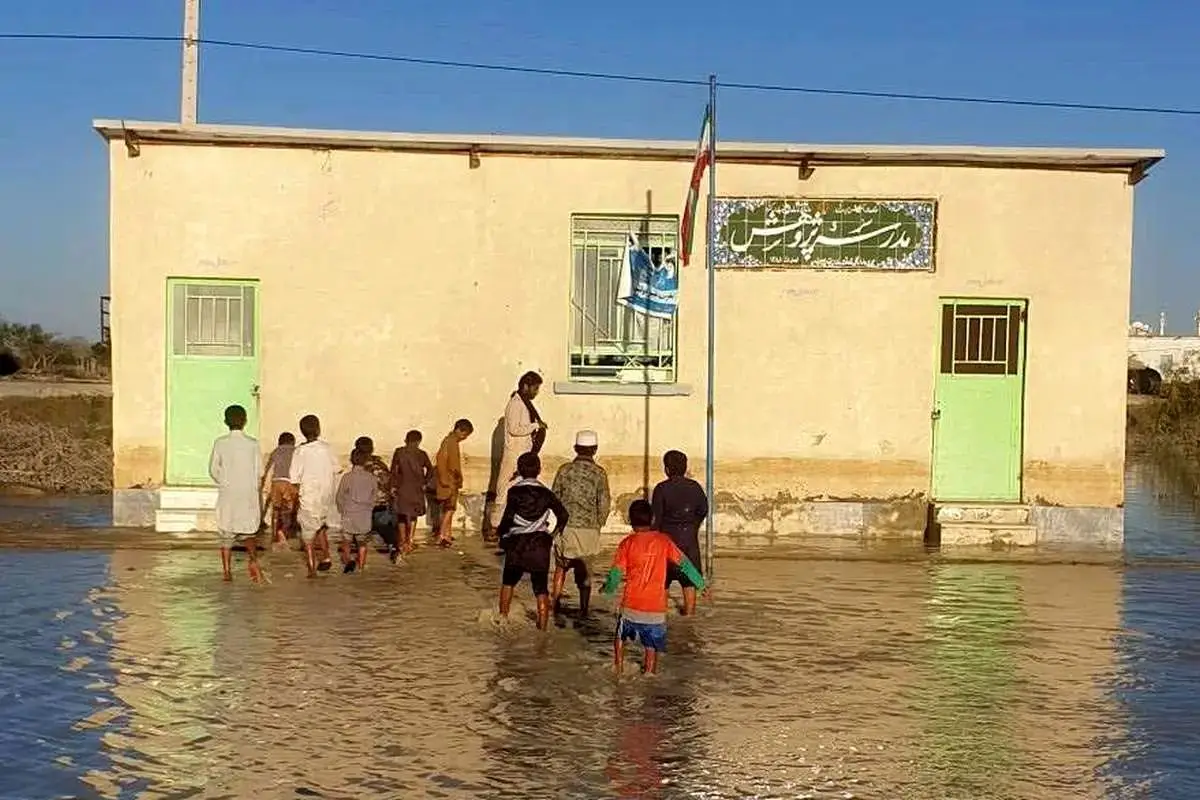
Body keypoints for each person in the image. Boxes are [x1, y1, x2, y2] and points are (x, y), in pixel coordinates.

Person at [603, 499, 706, 675]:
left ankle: (618, 668)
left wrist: (607, 589)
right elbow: (684, 564)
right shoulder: (663, 541)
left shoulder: (627, 543)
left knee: (620, 637)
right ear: (652, 520)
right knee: (651, 646)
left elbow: (616, 573)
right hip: (655, 609)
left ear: (630, 521)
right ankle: (649, 673)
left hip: (631, 606)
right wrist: (701, 584)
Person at [496, 452, 568, 631]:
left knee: (508, 582)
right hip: (540, 545)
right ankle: (542, 630)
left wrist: (501, 535)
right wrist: (551, 534)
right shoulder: (546, 494)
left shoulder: (514, 492)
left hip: (517, 544)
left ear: (519, 470)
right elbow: (563, 515)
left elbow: (508, 518)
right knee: (540, 588)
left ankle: (502, 620)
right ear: (539, 470)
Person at [550, 430, 611, 618]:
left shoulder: (564, 469)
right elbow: (604, 503)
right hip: (589, 530)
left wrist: (559, 522)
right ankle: (584, 610)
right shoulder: (600, 473)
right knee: (585, 572)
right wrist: (598, 525)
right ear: (595, 450)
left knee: (561, 568)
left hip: (566, 528)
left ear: (575, 448)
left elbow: (554, 497)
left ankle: (556, 603)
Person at [487, 372, 548, 536]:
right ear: (525, 386)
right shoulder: (515, 404)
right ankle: (494, 526)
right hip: (514, 455)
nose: (536, 393)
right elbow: (514, 429)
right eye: (535, 389)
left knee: (519, 489)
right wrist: (535, 426)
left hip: (523, 455)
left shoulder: (524, 403)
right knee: (504, 488)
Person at [208, 405, 264, 582]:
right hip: (247, 494)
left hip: (228, 493)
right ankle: (253, 561)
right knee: (249, 531)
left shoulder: (220, 443)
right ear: (245, 421)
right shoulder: (253, 444)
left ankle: (227, 572)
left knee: (226, 534)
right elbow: (260, 471)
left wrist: (224, 480)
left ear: (225, 421)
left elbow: (213, 469)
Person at [651, 450, 709, 616]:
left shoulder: (661, 489)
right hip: (689, 542)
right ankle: (689, 615)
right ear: (685, 468)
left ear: (667, 469)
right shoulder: (695, 487)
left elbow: (656, 519)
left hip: (666, 543)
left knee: (663, 581)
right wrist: (693, 526)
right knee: (689, 582)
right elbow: (703, 510)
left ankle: (662, 614)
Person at [290, 414, 340, 578]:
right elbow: (337, 468)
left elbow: (294, 478)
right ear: (318, 429)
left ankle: (311, 569)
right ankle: (325, 557)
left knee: (308, 537)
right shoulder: (327, 448)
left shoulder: (300, 451)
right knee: (321, 528)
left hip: (309, 498)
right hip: (326, 497)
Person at [390, 430, 434, 559]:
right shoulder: (421, 454)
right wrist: (425, 482)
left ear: (406, 440)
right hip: (417, 488)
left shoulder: (399, 452)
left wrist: (393, 486)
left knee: (401, 515)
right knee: (413, 515)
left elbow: (393, 470)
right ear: (419, 441)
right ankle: (410, 541)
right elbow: (430, 470)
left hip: (402, 487)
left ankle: (402, 541)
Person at [352, 435, 397, 556]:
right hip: (381, 502)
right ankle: (393, 547)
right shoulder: (380, 464)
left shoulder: (358, 466)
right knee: (385, 528)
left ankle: (359, 553)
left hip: (364, 504)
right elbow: (388, 481)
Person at [336, 448, 377, 573]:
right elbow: (374, 497)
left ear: (351, 460)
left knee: (347, 541)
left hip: (349, 514)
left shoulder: (347, 477)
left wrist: (342, 510)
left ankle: (348, 562)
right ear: (366, 461)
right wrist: (368, 509)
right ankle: (361, 567)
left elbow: (339, 497)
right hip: (364, 515)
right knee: (362, 543)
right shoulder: (371, 478)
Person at [435, 419, 473, 546]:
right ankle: (441, 535)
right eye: (464, 435)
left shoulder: (452, 442)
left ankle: (448, 533)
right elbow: (441, 460)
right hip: (449, 480)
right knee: (449, 508)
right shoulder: (449, 442)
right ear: (458, 430)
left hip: (452, 480)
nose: (464, 438)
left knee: (450, 508)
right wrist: (444, 479)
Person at [261, 431, 298, 550]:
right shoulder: (296, 451)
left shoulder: (276, 451)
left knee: (276, 509)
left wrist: (263, 482)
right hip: (290, 482)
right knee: (291, 510)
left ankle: (274, 535)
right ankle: (287, 533)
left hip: (276, 481)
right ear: (293, 442)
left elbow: (267, 468)